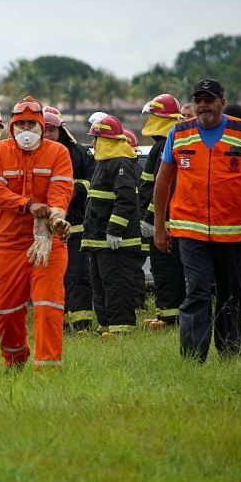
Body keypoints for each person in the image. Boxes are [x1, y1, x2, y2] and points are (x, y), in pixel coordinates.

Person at [153, 79, 241, 362]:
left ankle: (231, 352)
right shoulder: (179, 133)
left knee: (231, 294)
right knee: (196, 291)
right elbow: (162, 181)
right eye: (198, 100)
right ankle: (193, 359)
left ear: (222, 102)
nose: (203, 105)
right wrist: (159, 226)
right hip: (191, 231)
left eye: (209, 99)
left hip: (233, 232)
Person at [0, 96, 74, 370]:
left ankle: (48, 368)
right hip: (7, 244)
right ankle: (15, 358)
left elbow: (61, 191)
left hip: (48, 242)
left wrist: (57, 218)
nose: (26, 129)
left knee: (48, 306)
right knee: (5, 312)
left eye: (31, 124)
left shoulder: (58, 152)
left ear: (41, 126)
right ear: (12, 126)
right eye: (20, 124)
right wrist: (29, 205)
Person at [82, 115, 144, 336]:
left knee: (117, 285)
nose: (93, 143)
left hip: (116, 241)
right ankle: (106, 326)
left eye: (96, 138)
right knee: (100, 285)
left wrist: (115, 229)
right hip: (99, 240)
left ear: (106, 139)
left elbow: (126, 199)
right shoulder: (104, 162)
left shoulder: (120, 162)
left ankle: (121, 328)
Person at [41, 109, 96, 333]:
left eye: (51, 130)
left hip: (76, 226)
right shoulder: (31, 155)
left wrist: (74, 190)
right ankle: (59, 323)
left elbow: (94, 180)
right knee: (53, 278)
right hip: (45, 229)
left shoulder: (79, 153)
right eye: (43, 130)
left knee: (78, 276)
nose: (47, 134)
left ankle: (81, 324)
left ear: (60, 130)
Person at [138, 94, 186, 330]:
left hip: (164, 223)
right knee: (167, 269)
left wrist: (150, 219)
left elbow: (161, 187)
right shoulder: (167, 143)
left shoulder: (164, 145)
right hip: (167, 221)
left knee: (166, 269)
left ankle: (169, 318)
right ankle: (166, 314)